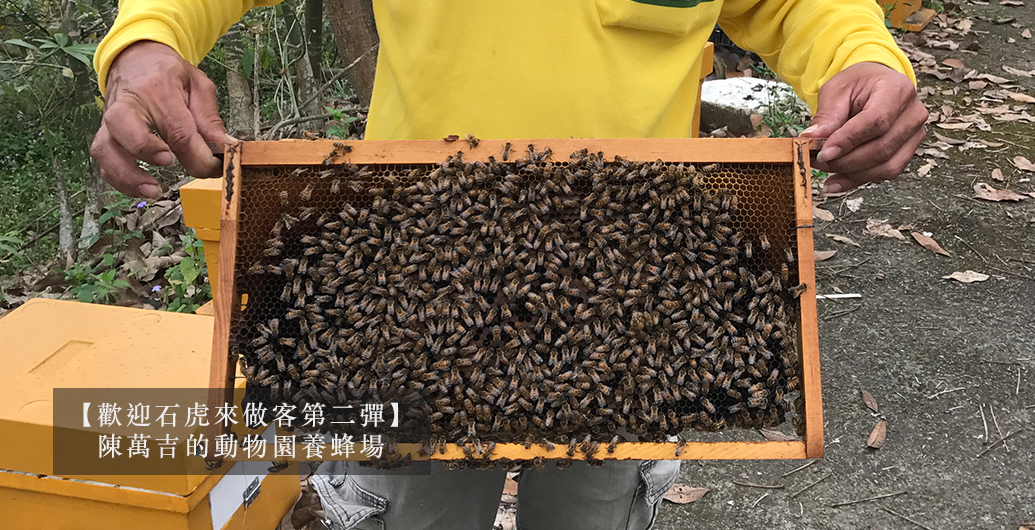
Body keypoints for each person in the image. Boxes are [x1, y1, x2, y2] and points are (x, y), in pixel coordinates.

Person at [90, 2, 927, 529]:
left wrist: (860, 51)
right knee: (416, 508)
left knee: (595, 508)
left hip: (626, 285)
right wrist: (146, 41)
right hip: (412, 274)